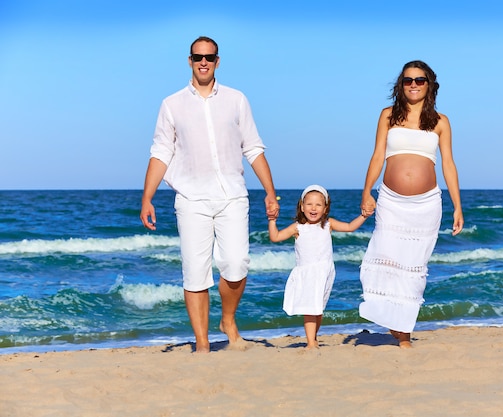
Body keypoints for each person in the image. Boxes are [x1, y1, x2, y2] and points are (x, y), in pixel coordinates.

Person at [140, 36, 280, 353]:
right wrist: (147, 198)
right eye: (197, 57)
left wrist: (271, 192)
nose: (204, 62)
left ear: (218, 61)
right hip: (191, 198)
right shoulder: (171, 104)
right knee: (195, 272)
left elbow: (254, 148)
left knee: (236, 264)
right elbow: (160, 153)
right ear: (189, 60)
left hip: (232, 195)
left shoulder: (236, 100)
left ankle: (227, 319)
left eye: (209, 57)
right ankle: (202, 344)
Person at [359, 60, 464, 348]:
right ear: (401, 84)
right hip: (390, 201)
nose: (414, 85)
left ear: (429, 85)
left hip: (426, 205)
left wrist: (458, 205)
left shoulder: (441, 122)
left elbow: (449, 165)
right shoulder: (387, 116)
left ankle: (404, 331)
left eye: (420, 80)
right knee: (387, 259)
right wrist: (367, 191)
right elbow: (378, 155)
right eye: (408, 80)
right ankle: (394, 322)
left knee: (413, 267)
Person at [268, 185, 369, 350]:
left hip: (324, 272)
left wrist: (364, 216)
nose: (313, 208)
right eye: (309, 204)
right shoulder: (297, 227)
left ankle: (313, 338)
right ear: (302, 206)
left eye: (318, 205)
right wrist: (272, 220)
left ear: (325, 208)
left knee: (318, 308)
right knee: (310, 308)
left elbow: (350, 227)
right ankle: (311, 343)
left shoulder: (328, 224)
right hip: (307, 273)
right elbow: (275, 237)